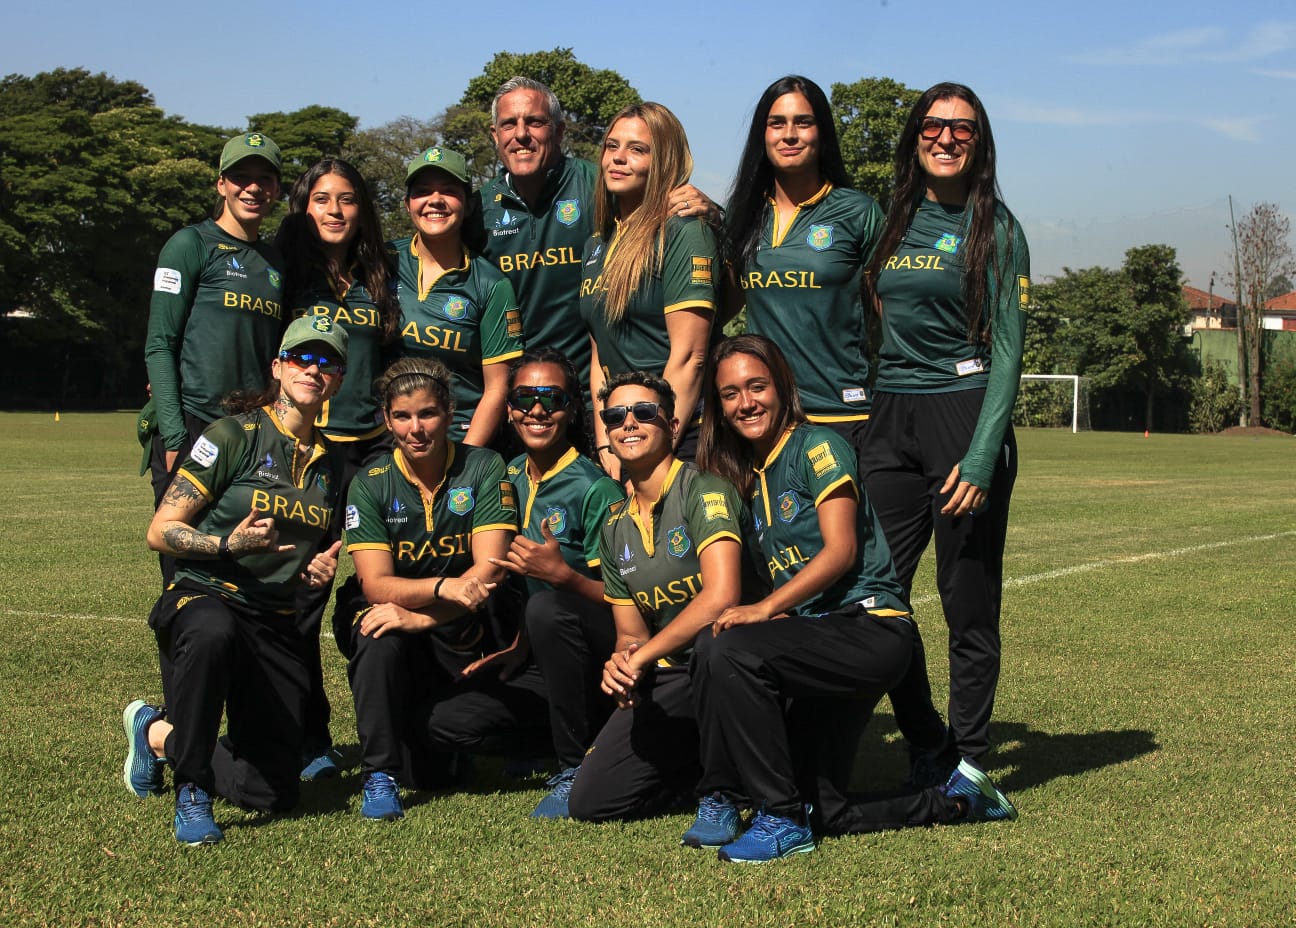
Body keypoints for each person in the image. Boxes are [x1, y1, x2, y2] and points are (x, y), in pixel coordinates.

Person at [687, 334, 917, 861]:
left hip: (869, 627)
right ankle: (952, 802)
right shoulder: (748, 473)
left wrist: (765, 609)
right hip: (819, 637)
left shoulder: (818, 446)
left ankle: (778, 818)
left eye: (756, 386)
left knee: (726, 647)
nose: (745, 402)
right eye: (729, 394)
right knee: (828, 806)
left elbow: (840, 551)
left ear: (782, 384)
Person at [121, 314, 349, 845]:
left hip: (275, 617)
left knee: (272, 792)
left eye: (328, 362)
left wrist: (319, 569)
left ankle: (158, 734)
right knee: (213, 630)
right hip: (206, 595)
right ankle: (192, 788)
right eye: (302, 357)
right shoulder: (231, 436)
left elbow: (317, 549)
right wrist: (227, 544)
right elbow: (162, 531)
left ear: (338, 379)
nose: (313, 370)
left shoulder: (335, 464)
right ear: (278, 366)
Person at [861, 82, 1030, 795]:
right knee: (873, 593)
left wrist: (984, 455)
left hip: (964, 415)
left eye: (963, 129)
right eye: (934, 126)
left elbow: (1011, 352)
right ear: (915, 137)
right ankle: (927, 738)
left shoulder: (999, 228)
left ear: (981, 143)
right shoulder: (889, 218)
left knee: (965, 600)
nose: (947, 138)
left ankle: (967, 760)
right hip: (889, 415)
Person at [342, 357, 550, 821]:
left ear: (451, 412)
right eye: (402, 416)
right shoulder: (370, 483)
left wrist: (421, 614)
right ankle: (379, 775)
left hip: (469, 616)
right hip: (406, 608)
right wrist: (441, 587)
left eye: (427, 414)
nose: (416, 428)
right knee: (377, 634)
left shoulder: (483, 466)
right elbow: (376, 585)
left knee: (438, 769)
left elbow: (489, 573)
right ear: (386, 419)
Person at [471, 77, 718, 408]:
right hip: (516, 400)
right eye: (509, 124)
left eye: (535, 122)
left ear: (558, 132)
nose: (521, 135)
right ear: (494, 135)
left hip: (593, 401)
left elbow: (665, 209)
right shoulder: (476, 210)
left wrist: (714, 213)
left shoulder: (597, 186)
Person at [565, 371, 744, 823]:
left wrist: (644, 657)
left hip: (732, 662)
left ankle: (729, 781)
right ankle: (696, 772)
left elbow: (722, 596)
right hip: (671, 674)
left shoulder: (704, 488)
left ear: (672, 424)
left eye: (644, 413)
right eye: (616, 416)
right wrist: (622, 663)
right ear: (605, 431)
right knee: (591, 801)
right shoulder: (612, 524)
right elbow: (630, 632)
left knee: (713, 646)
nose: (629, 423)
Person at [276, 158, 401, 779]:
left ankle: (400, 732)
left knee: (380, 586)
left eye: (347, 199)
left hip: (374, 450)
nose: (333, 209)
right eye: (320, 198)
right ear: (302, 206)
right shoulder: (286, 275)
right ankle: (309, 740)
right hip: (307, 454)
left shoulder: (382, 271)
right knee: (301, 595)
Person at [487, 347, 625, 818]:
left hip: (594, 651)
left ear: (571, 410)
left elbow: (626, 601)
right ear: (509, 410)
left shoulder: (594, 488)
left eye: (553, 398)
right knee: (449, 726)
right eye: (526, 397)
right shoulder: (504, 478)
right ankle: (538, 741)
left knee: (547, 608)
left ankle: (573, 768)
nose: (538, 410)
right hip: (532, 655)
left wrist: (562, 577)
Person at [144, 132, 287, 583]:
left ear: (277, 190)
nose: (253, 188)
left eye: (264, 178)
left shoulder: (276, 262)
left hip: (250, 435)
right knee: (185, 569)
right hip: (191, 427)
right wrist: (171, 438)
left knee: (246, 566)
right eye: (241, 177)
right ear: (220, 183)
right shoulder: (190, 245)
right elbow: (159, 344)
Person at [721, 76, 883, 460]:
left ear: (821, 132)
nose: (789, 134)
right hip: (766, 419)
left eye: (803, 122)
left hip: (843, 415)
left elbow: (891, 317)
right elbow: (717, 309)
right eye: (777, 123)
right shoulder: (744, 217)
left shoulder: (858, 212)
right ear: (763, 134)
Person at [578, 103, 717, 466]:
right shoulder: (596, 243)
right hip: (623, 435)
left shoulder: (682, 231)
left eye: (637, 149)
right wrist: (607, 444)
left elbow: (690, 357)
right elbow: (599, 357)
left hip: (677, 436)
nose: (618, 158)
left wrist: (655, 449)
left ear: (664, 160)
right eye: (612, 146)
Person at [390, 146, 524, 448]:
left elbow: (497, 388)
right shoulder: (382, 261)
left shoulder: (491, 283)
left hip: (457, 441)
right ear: (408, 203)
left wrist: (464, 461)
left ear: (467, 203)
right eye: (422, 191)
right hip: (386, 442)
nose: (434, 200)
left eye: (448, 191)